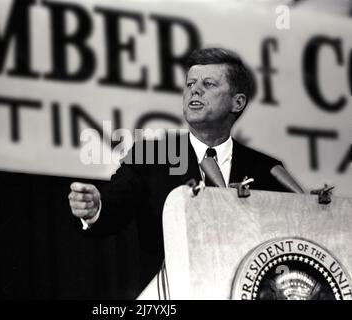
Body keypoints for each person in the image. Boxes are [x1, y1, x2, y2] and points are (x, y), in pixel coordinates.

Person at [68, 47, 289, 296]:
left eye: (209, 84)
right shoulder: (151, 156)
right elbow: (114, 204)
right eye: (190, 84)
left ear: (237, 102)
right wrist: (95, 209)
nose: (195, 90)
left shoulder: (267, 169)